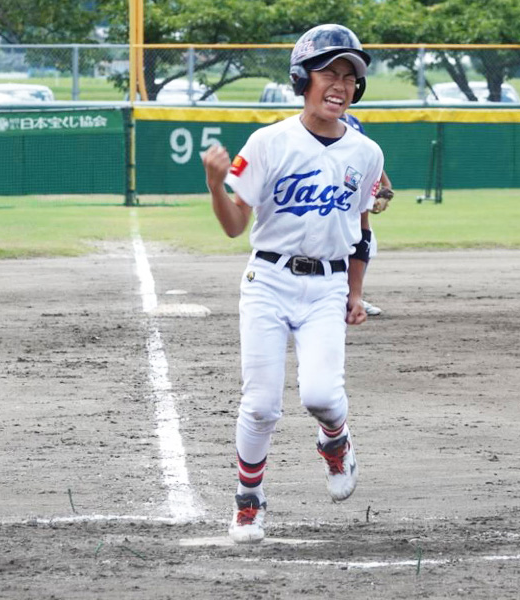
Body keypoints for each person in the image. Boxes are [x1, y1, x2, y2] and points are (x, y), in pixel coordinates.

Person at [202, 24, 384, 544]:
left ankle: (336, 442)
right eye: (330, 71)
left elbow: (361, 232)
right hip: (268, 280)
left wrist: (354, 294)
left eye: (351, 77)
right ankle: (249, 502)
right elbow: (236, 225)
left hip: (326, 286)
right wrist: (216, 185)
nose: (341, 84)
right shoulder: (268, 141)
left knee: (323, 396)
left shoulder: (366, 153)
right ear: (303, 77)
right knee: (260, 405)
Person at [341, 112, 394, 316]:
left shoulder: (353, 122)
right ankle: (342, 295)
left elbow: (370, 163)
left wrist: (384, 192)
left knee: (367, 244)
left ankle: (353, 296)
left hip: (353, 179)